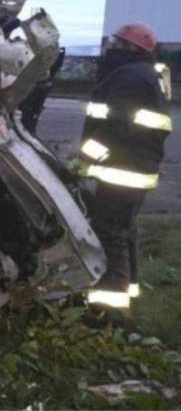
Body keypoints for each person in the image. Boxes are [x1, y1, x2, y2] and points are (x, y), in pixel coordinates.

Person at [78, 22, 172, 309]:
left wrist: (87, 157)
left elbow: (117, 126)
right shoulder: (146, 74)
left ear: (131, 48)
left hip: (123, 169)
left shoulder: (129, 76)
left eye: (118, 42)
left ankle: (107, 309)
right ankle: (127, 291)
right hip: (136, 167)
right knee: (124, 229)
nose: (111, 46)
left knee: (109, 233)